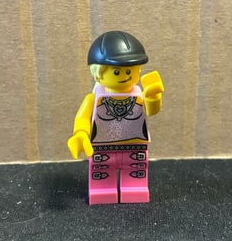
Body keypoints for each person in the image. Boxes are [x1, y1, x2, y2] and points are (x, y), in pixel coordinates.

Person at [68, 31, 164, 205]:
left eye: (129, 70)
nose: (125, 75)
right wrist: (80, 133)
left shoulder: (139, 95)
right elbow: (82, 117)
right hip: (102, 148)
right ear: (98, 73)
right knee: (102, 176)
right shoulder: (93, 98)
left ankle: (134, 189)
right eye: (117, 72)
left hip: (135, 146)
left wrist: (153, 98)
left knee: (135, 177)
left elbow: (150, 111)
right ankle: (102, 190)